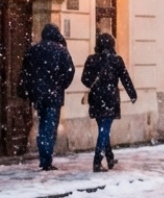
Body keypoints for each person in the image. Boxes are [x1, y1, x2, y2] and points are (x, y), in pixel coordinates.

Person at [17, 23, 75, 171]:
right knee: (50, 126)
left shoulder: (33, 50)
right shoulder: (61, 51)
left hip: (38, 95)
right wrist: (61, 85)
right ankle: (46, 158)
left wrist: (29, 90)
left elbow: (25, 72)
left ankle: (44, 154)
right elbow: (70, 71)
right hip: (54, 95)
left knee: (43, 123)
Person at [81, 33, 137, 173]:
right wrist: (132, 94)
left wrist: (94, 81)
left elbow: (85, 80)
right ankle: (97, 161)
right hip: (110, 98)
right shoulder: (116, 60)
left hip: (96, 98)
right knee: (104, 130)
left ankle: (110, 158)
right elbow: (125, 78)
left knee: (103, 128)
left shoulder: (91, 59)